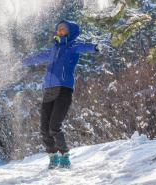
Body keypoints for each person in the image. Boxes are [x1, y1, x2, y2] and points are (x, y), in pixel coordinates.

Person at [23, 20, 103, 169]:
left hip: (64, 89)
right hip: (48, 89)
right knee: (44, 128)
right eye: (58, 28)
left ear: (70, 31)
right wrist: (24, 61)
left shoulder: (73, 46)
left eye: (63, 28)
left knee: (54, 126)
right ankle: (53, 156)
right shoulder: (54, 48)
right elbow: (40, 57)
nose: (60, 30)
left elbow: (84, 47)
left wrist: (95, 47)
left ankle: (64, 155)